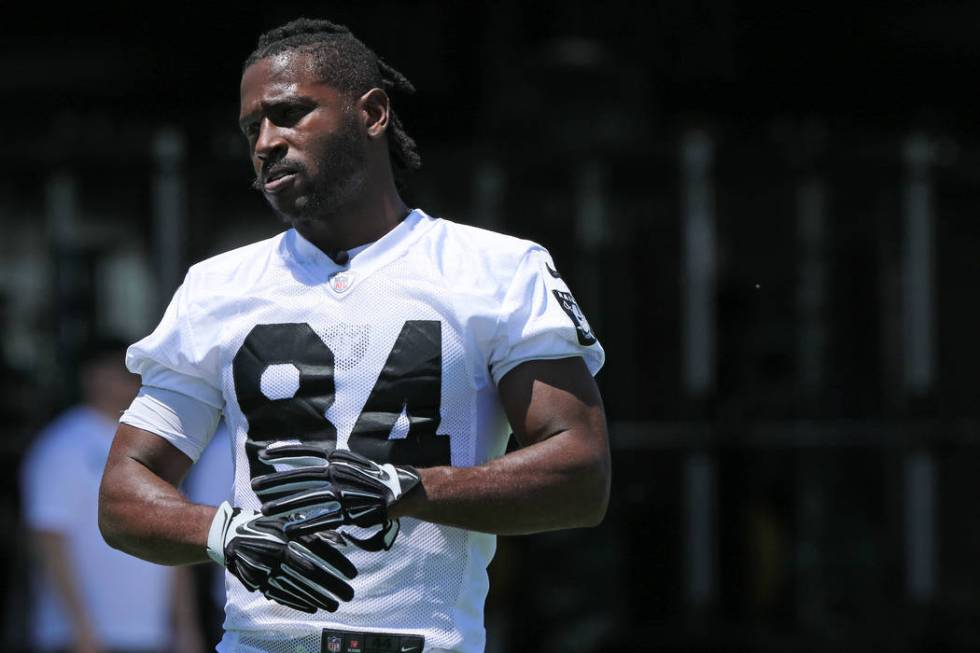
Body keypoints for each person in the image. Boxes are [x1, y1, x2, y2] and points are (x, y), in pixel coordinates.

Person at [98, 17, 610, 653]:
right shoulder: (216, 288)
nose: (265, 141)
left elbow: (581, 473)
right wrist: (223, 533)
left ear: (371, 113)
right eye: (251, 127)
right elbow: (123, 492)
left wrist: (413, 487)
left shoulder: (498, 269)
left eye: (289, 113)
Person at [21, 339, 205, 653]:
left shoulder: (155, 445)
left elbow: (173, 537)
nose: (136, 380)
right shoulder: (63, 445)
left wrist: (185, 627)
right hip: (84, 638)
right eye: (126, 371)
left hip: (151, 635)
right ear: (93, 377)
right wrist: (80, 628)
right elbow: (48, 539)